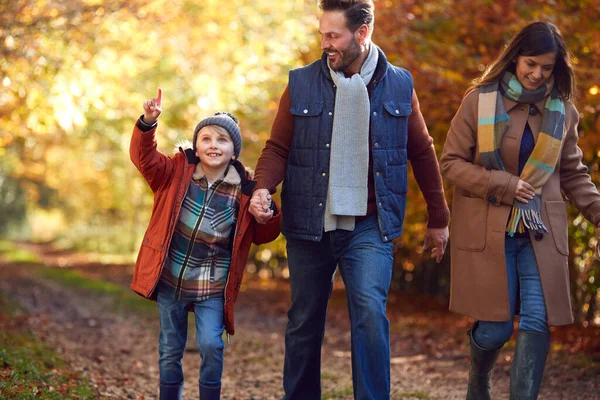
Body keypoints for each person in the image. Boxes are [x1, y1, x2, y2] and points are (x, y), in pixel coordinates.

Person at [248, 1, 450, 398]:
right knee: (304, 321)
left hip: (370, 225)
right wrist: (261, 188)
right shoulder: (301, 82)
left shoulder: (399, 85)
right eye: (322, 34)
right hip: (310, 222)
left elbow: (422, 152)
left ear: (362, 34)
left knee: (370, 316)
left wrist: (439, 218)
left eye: (333, 35)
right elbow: (277, 148)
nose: (325, 44)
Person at [440, 21, 600, 400]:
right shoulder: (479, 101)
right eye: (530, 63)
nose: (537, 74)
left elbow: (573, 172)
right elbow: (450, 163)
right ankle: (479, 378)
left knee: (537, 323)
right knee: (495, 330)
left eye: (547, 67)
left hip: (540, 232)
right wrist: (505, 184)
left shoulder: (564, 111)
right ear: (515, 58)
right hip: (488, 231)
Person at [129, 88, 282, 400]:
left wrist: (267, 212)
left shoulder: (246, 191)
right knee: (170, 348)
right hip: (171, 278)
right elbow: (144, 159)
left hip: (213, 285)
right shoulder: (173, 172)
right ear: (196, 146)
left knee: (212, 345)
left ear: (233, 151)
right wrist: (148, 124)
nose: (214, 145)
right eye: (207, 139)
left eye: (223, 140)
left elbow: (265, 234)